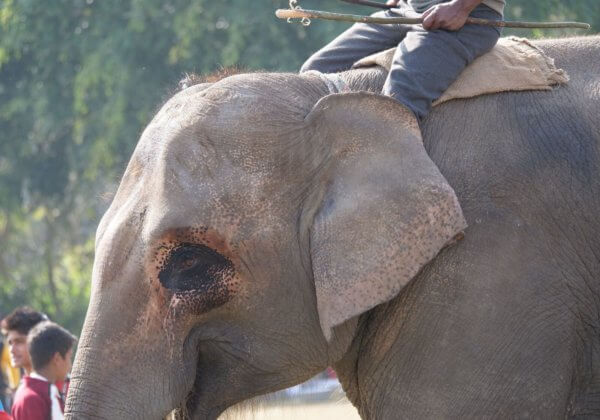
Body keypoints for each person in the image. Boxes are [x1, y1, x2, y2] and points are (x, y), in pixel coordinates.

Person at [301, 0, 505, 121]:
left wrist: (461, 7)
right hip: (405, 10)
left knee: (396, 103)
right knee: (315, 73)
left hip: (463, 17)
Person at [10, 322, 75, 420]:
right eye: (69, 357)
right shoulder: (32, 400)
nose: (70, 365)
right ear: (57, 359)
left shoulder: (42, 392)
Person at [1, 308, 48, 378]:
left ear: (39, 340)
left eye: (19, 342)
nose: (12, 350)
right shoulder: (24, 387)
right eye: (10, 343)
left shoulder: (64, 386)